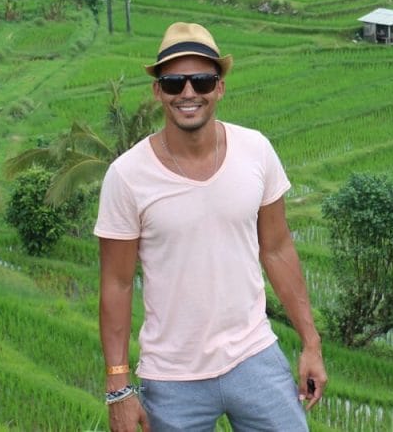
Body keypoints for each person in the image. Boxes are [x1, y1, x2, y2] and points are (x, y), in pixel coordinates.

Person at [95, 22, 326, 432]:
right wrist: (118, 388)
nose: (188, 93)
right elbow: (116, 283)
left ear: (219, 87)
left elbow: (276, 248)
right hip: (172, 379)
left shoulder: (255, 150)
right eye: (173, 82)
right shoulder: (127, 175)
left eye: (201, 80)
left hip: (255, 357)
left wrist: (311, 342)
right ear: (158, 92)